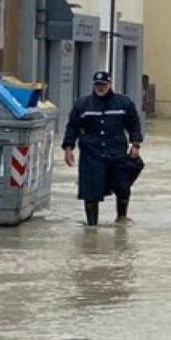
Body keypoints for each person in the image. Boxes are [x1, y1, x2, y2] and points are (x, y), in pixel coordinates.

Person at [62, 68, 144, 225]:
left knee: (122, 186)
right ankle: (92, 227)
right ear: (93, 85)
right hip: (91, 154)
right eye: (97, 84)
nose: (100, 87)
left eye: (103, 84)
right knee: (90, 192)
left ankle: (121, 218)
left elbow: (134, 124)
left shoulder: (123, 103)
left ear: (110, 84)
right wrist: (68, 148)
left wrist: (135, 144)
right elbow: (72, 127)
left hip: (116, 151)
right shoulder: (82, 104)